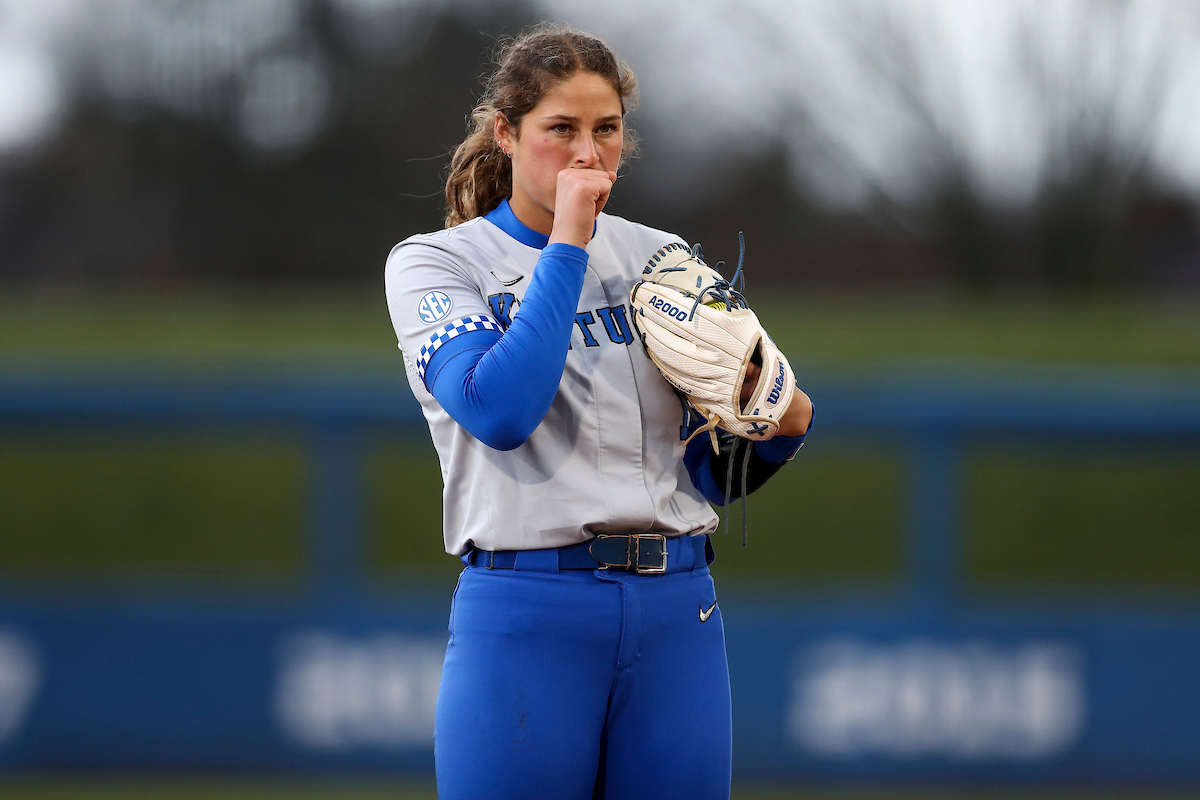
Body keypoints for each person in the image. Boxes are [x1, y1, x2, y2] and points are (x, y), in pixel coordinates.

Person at [384, 24, 812, 800]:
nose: (588, 153)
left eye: (606, 129)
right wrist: (570, 243)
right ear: (507, 133)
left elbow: (705, 476)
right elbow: (499, 411)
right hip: (528, 609)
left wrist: (779, 427)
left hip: (676, 612)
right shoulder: (438, 263)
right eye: (562, 129)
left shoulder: (661, 259)